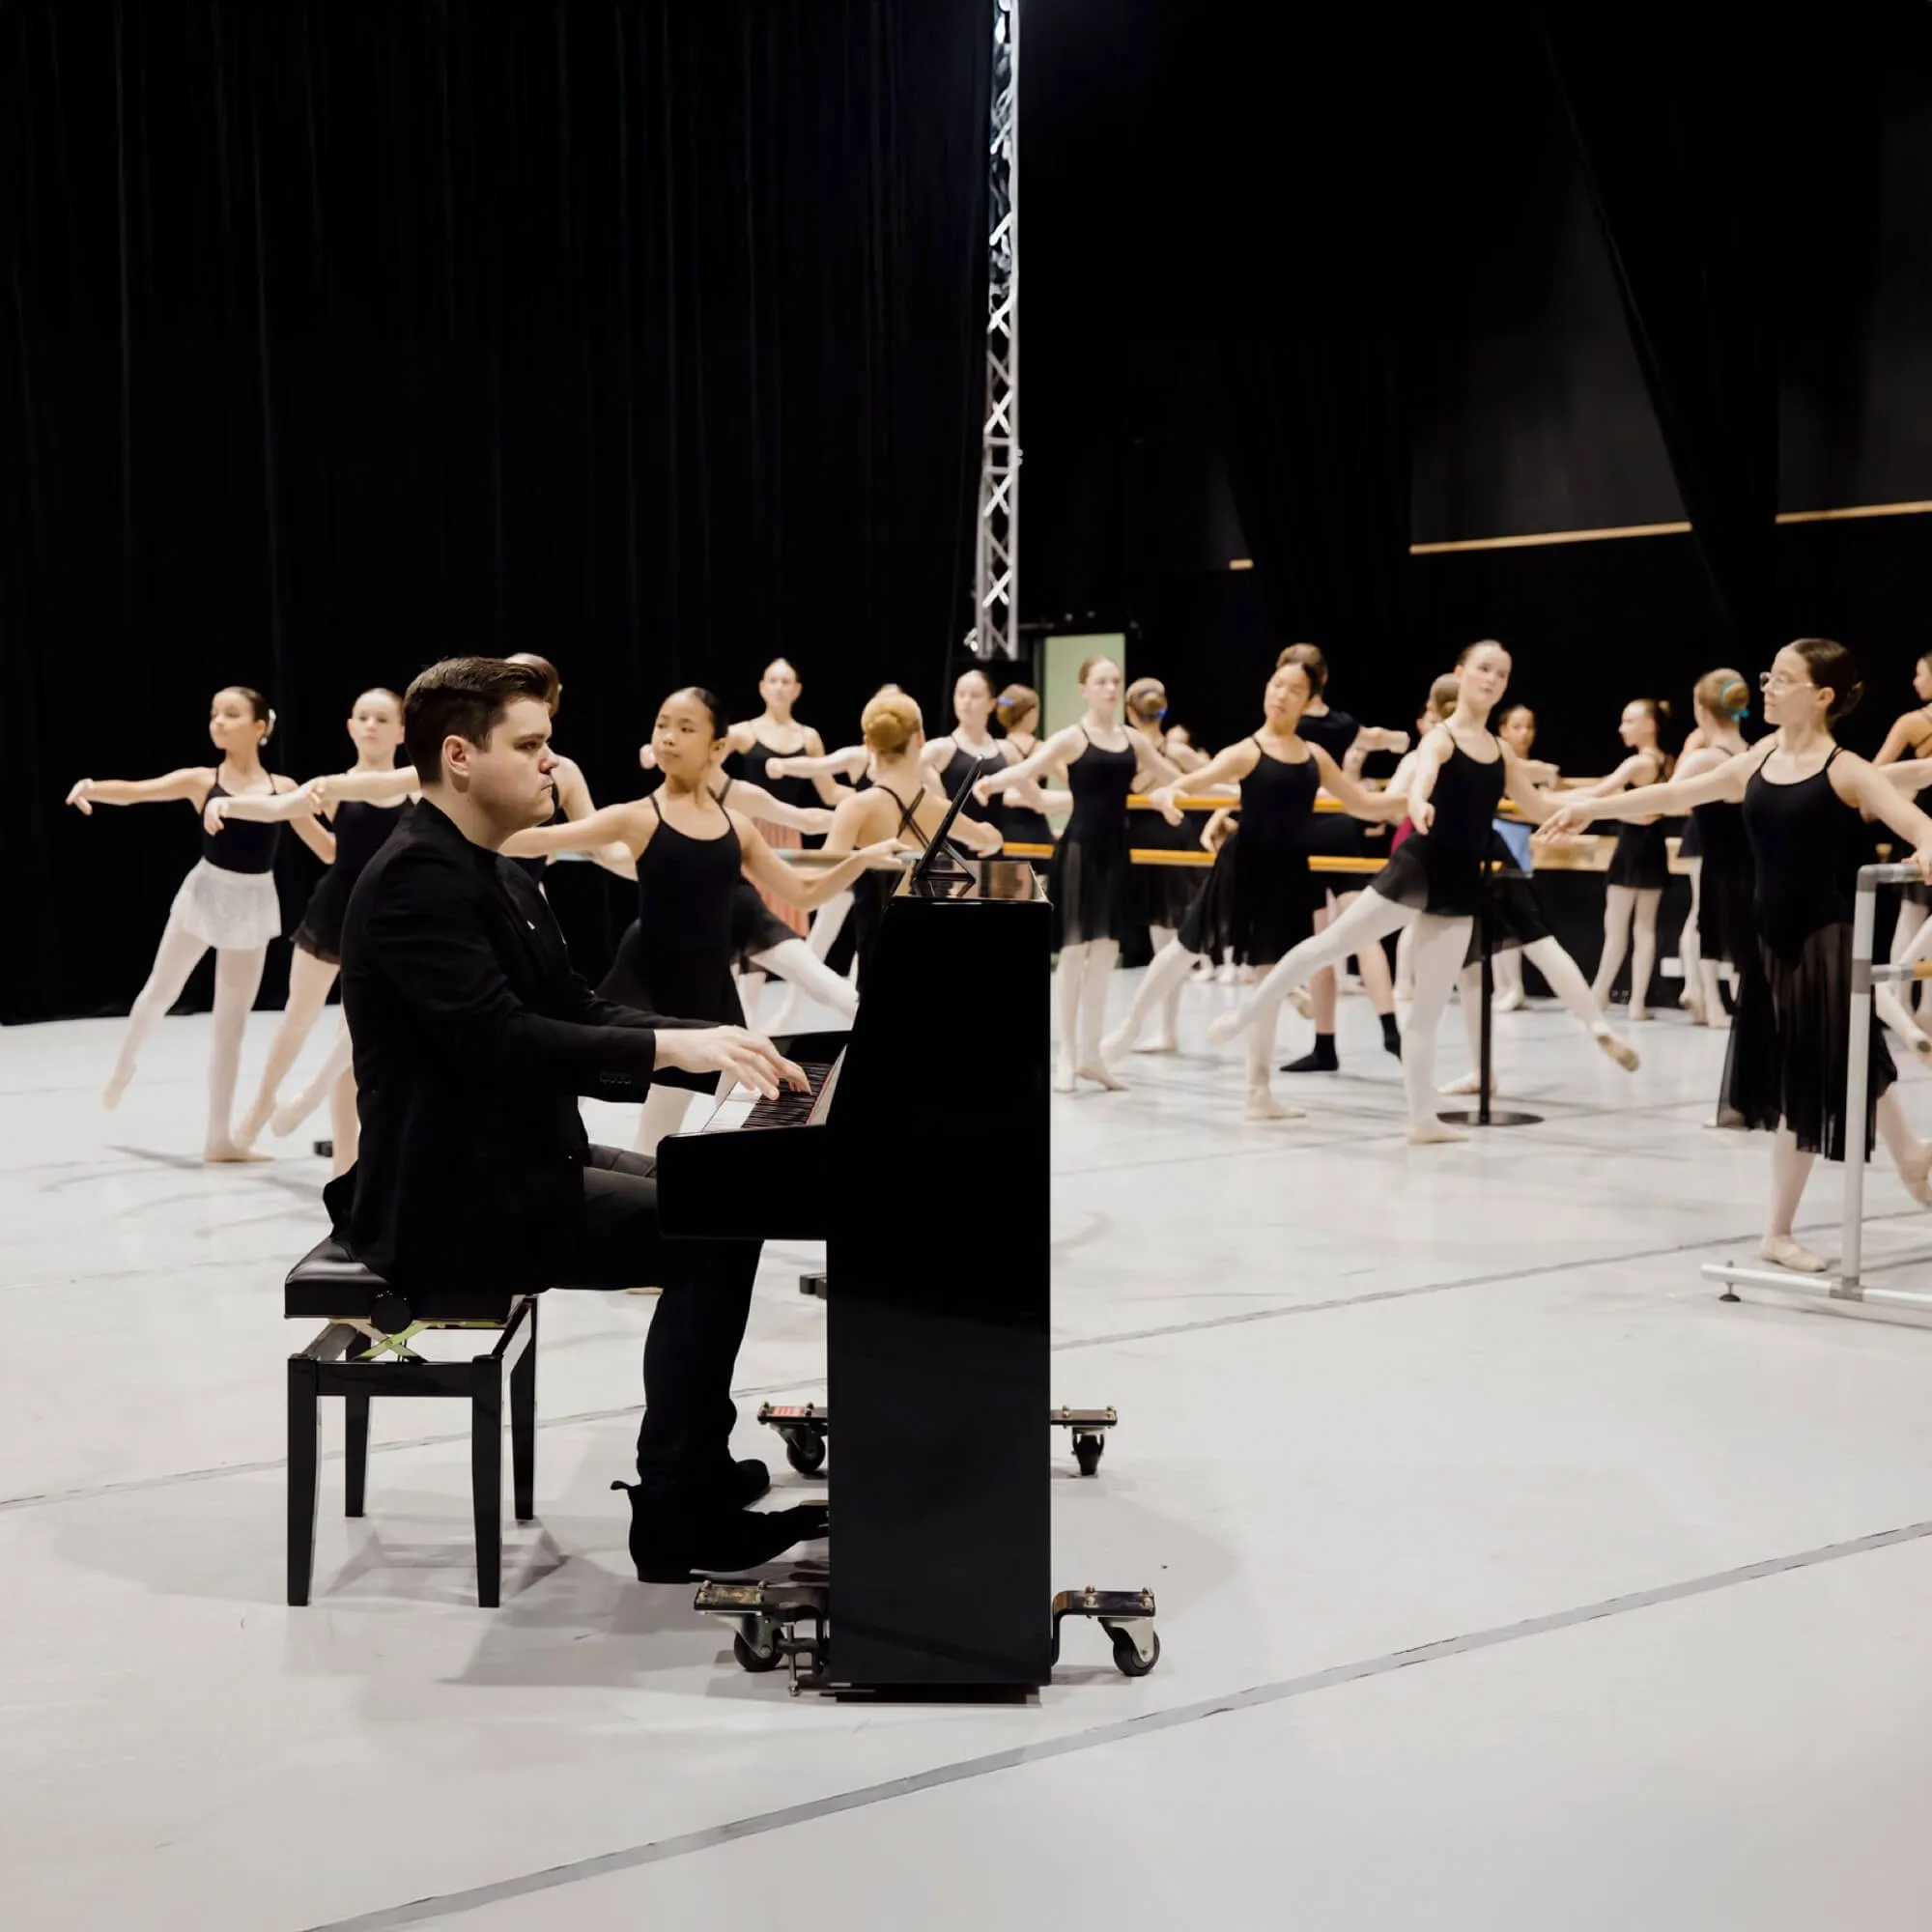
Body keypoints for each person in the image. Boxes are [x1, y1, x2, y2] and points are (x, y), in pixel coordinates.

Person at [330, 655, 830, 1579]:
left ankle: (698, 1469)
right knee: (710, 1230)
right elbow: (505, 1039)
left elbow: (579, 1006)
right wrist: (666, 1054)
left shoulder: (497, 871)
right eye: (530, 746)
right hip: (449, 1200)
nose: (552, 763)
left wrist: (707, 1033)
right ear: (460, 756)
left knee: (729, 1200)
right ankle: (675, 1512)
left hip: (512, 1162)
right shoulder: (416, 881)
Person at [1540, 639, 1932, 1274]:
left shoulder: (1846, 768)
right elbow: (1671, 797)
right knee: (1850, 1049)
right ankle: (1911, 1155)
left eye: (1781, 679)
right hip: (1769, 939)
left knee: (1806, 1079)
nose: (1767, 689)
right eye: (1767, 677)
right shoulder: (1758, 758)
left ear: (1821, 696)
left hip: (1824, 937)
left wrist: (1927, 846)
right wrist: (1592, 807)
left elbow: (1914, 821)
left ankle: (1775, 1233)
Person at [1207, 640, 1597, 1145]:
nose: (1492, 680)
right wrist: (1412, 799)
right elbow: (1416, 782)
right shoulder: (1439, 739)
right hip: (1417, 864)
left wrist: (1604, 805)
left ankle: (1421, 1118)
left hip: (1459, 880)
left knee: (1428, 1005)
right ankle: (1246, 1013)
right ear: (1460, 676)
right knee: (1333, 944)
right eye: (1483, 669)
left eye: (1501, 673)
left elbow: (1539, 805)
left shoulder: (1497, 752)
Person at [502, 687, 898, 1151]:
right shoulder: (636, 817)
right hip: (650, 977)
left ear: (716, 748)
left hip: (708, 986)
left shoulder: (737, 825)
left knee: (714, 1105)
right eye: (662, 724)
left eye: (685, 728)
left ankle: (673, 1196)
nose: (668, 736)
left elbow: (804, 891)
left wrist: (861, 858)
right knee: (608, 1094)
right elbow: (526, 842)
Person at [1100, 659, 1404, 1117]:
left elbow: (1363, 803)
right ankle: (1130, 1025)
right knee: (1184, 947)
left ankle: (1258, 1091)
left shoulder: (1315, 758)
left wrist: (1413, 798)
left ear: (1308, 702)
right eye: (1277, 684)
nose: (1281, 695)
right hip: (1243, 865)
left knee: (1271, 979)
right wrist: (1170, 793)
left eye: (1294, 690)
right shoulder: (1248, 750)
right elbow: (1196, 780)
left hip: (1288, 874)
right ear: (1267, 688)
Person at [64, 686, 331, 1160]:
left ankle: (218, 1139)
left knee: (231, 1026)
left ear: (259, 727)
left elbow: (326, 848)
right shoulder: (200, 780)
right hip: (206, 893)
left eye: (231, 714)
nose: (219, 722)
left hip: (251, 904)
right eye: (214, 714)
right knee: (160, 991)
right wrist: (92, 787)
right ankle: (125, 1065)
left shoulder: (283, 789)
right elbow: (139, 793)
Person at [212, 688, 412, 1171]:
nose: (370, 725)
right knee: (297, 1018)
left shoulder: (415, 787)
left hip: (387, 920)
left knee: (360, 1031)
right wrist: (229, 806)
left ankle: (330, 1133)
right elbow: (282, 809)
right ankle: (262, 1104)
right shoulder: (332, 787)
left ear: (402, 731)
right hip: (334, 910)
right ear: (349, 727)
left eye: (382, 719)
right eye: (362, 716)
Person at [974, 654, 1183, 1093]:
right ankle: (1067, 1053)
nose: (1110, 688)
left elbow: (1172, 777)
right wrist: (992, 783)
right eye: (1102, 681)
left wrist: (1169, 797)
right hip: (1079, 850)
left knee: (1106, 953)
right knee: (1073, 954)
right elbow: (1028, 770)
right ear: (1084, 688)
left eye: (1115, 681)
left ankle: (1092, 1055)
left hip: (1115, 853)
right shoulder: (1073, 737)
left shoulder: (1133, 741)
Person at [1274, 643, 1407, 1072]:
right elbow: (1379, 738)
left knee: (1319, 943)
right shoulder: (1343, 724)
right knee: (1360, 930)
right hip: (1341, 831)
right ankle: (1388, 1026)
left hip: (1304, 834)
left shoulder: (1287, 727)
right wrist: (1393, 739)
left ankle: (1326, 1043)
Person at [818, 692, 1006, 982]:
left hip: (875, 951)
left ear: (868, 744)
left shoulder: (855, 807)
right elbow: (985, 840)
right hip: (926, 947)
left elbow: (823, 877)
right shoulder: (938, 808)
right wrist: (991, 836)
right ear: (920, 739)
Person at [1118, 676, 1220, 1053]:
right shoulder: (1169, 750)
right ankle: (1166, 1029)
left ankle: (1167, 1030)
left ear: (1130, 711)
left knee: (1168, 941)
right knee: (1169, 940)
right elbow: (1215, 786)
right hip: (1160, 842)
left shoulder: (1132, 747)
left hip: (1158, 844)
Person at [1567, 698, 1674, 1019]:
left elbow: (1599, 792)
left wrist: (1552, 800)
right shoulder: (1669, 761)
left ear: (1649, 725)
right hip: (1653, 846)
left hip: (1632, 847)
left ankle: (1597, 996)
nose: (1621, 727)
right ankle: (1637, 1004)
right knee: (1645, 929)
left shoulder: (1637, 763)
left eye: (1629, 721)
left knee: (1616, 929)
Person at [724, 658, 846, 938]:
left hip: (789, 830)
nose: (779, 688)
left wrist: (875, 796)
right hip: (750, 831)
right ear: (762, 688)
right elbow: (707, 768)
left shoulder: (808, 737)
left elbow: (829, 792)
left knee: (781, 926)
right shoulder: (742, 732)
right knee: (745, 923)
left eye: (786, 682)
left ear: (797, 690)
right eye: (773, 681)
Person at [1671, 670, 1752, 1032]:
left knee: (1712, 929)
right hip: (1746, 860)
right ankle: (1728, 1002)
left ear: (1701, 710)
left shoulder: (1705, 757)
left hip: (1720, 861)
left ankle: (1716, 1003)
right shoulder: (1755, 751)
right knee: (1735, 932)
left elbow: (1668, 799)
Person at [1871, 650, 1932, 1011]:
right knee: (1912, 911)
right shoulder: (1911, 722)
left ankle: (1921, 1007)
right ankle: (1897, 998)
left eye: (1920, 674)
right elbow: (1875, 770)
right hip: (1922, 821)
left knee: (1916, 917)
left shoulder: (1911, 722)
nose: (1915, 681)